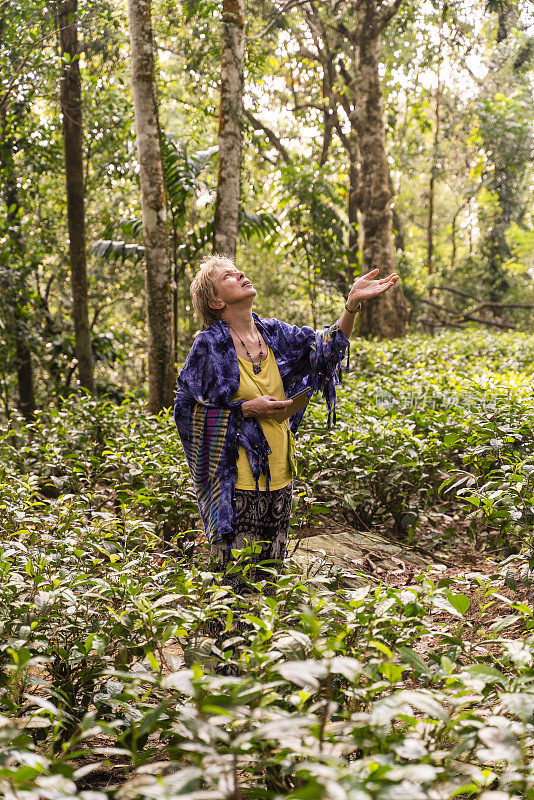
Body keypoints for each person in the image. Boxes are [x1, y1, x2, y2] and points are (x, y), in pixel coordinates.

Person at [173, 254, 399, 596]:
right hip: (237, 481)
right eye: (229, 275)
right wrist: (245, 409)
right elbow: (185, 409)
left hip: (281, 473)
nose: (241, 273)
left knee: (269, 578)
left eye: (238, 269)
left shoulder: (275, 333)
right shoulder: (209, 346)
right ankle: (225, 648)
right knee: (233, 583)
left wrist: (351, 306)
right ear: (216, 301)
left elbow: (325, 351)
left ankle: (265, 648)